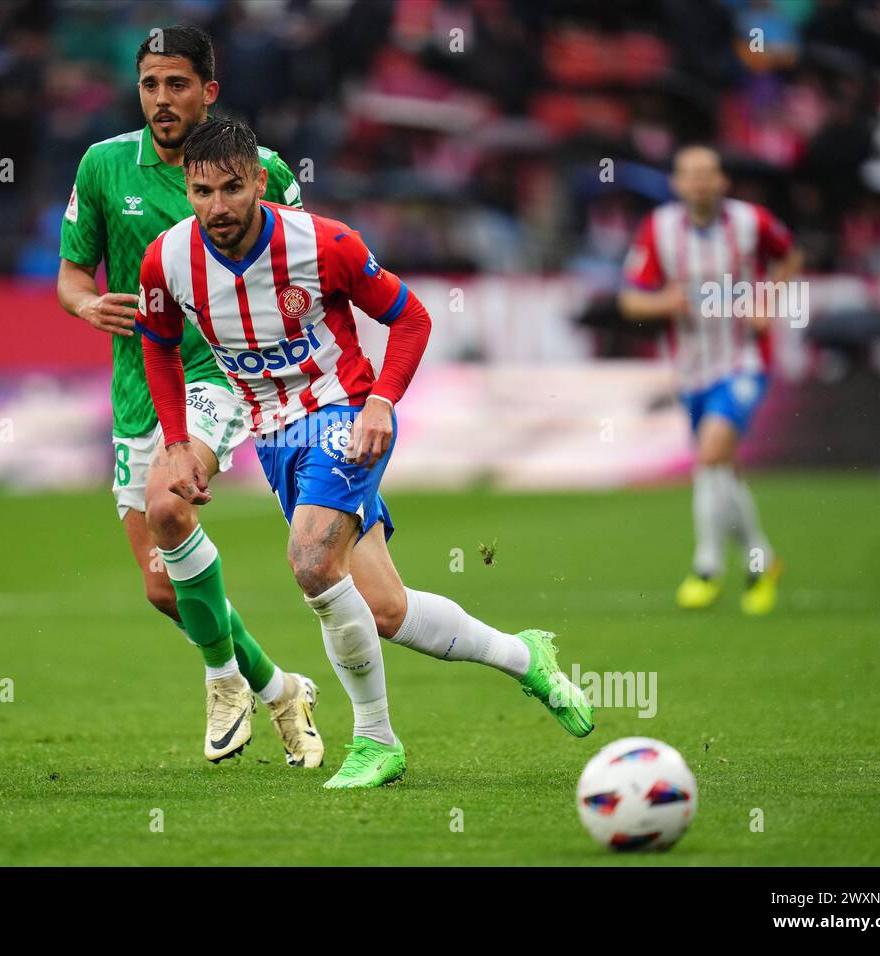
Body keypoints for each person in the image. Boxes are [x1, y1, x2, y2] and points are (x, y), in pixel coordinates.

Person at [138, 118, 594, 790]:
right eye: (202, 191)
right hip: (275, 436)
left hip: (343, 414)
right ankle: (525, 657)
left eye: (232, 188)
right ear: (187, 187)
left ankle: (376, 741)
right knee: (384, 610)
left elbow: (410, 317)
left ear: (260, 182)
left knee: (312, 561)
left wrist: (381, 400)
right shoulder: (168, 259)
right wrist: (177, 442)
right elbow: (160, 343)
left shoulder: (325, 245)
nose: (217, 206)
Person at [55, 26, 321, 766]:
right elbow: (73, 274)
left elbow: (304, 271)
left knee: (171, 503)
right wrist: (86, 306)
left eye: (177, 84)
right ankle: (277, 691)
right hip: (140, 384)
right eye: (149, 85)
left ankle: (220, 678)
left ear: (209, 89)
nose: (162, 100)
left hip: (224, 373)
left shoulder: (258, 169)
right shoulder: (104, 165)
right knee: (164, 590)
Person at [619, 145, 801, 615]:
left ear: (723, 181)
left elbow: (791, 256)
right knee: (724, 471)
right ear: (676, 184)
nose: (700, 183)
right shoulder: (659, 229)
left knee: (712, 452)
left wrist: (768, 301)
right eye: (690, 176)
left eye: (708, 174)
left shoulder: (750, 222)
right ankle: (762, 560)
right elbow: (631, 301)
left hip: (743, 359)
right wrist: (664, 304)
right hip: (692, 369)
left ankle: (707, 567)